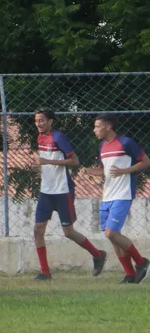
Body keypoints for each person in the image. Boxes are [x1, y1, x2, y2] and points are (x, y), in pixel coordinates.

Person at [32, 109, 107, 280]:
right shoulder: (40, 137)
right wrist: (40, 167)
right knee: (38, 230)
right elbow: (45, 162)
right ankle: (45, 272)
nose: (38, 124)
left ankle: (98, 255)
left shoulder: (58, 137)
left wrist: (48, 161)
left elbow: (75, 161)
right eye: (36, 121)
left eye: (42, 120)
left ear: (50, 121)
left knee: (68, 232)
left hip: (62, 191)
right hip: (46, 191)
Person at [83, 114, 150, 283]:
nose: (95, 130)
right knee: (112, 236)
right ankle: (129, 274)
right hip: (108, 196)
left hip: (123, 194)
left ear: (108, 127)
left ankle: (142, 262)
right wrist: (88, 171)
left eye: (97, 126)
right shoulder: (102, 146)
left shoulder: (126, 143)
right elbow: (104, 171)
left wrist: (124, 170)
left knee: (111, 232)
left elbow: (145, 161)